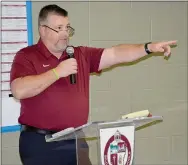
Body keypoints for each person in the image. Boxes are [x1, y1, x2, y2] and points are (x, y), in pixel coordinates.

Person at [10, 4, 177, 165]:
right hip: (41, 143)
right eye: (58, 28)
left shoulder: (79, 54)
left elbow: (116, 54)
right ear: (43, 30)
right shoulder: (27, 56)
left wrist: (148, 47)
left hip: (76, 140)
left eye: (67, 28)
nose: (65, 34)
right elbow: (19, 90)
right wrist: (57, 72)